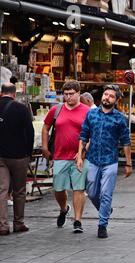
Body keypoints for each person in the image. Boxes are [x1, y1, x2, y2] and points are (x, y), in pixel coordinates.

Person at [77, 85, 132, 239]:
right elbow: (83, 136)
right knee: (93, 192)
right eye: (105, 94)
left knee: (106, 194)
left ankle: (102, 225)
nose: (107, 97)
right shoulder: (91, 114)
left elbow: (126, 142)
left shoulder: (119, 118)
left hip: (110, 161)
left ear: (116, 100)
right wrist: (80, 157)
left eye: (111, 96)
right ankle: (105, 210)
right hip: (93, 159)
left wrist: (128, 163)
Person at [42, 80, 90, 233]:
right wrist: (44, 147)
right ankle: (64, 209)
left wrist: (83, 150)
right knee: (58, 187)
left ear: (78, 93)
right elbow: (45, 127)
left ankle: (77, 221)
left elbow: (93, 133)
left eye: (71, 94)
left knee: (79, 188)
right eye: (66, 94)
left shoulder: (87, 111)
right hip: (60, 155)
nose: (68, 97)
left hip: (80, 157)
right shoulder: (56, 110)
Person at [0, 83, 34, 235]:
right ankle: (19, 223)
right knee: (19, 191)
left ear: (1, 93)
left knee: (2, 190)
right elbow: (30, 133)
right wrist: (28, 153)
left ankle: (2, 225)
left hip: (1, 156)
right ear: (14, 94)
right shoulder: (22, 109)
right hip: (20, 156)